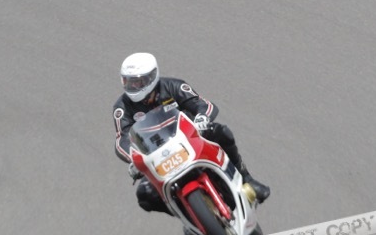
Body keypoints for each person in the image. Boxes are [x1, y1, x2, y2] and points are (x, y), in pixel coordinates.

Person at [113, 52, 270, 217]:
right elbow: (122, 139)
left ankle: (247, 179)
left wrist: (202, 118)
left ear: (152, 76)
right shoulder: (122, 108)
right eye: (129, 81)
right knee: (145, 195)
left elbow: (202, 104)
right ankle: (190, 217)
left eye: (138, 81)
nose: (134, 86)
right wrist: (134, 158)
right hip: (157, 157)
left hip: (190, 138)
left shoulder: (173, 86)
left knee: (221, 132)